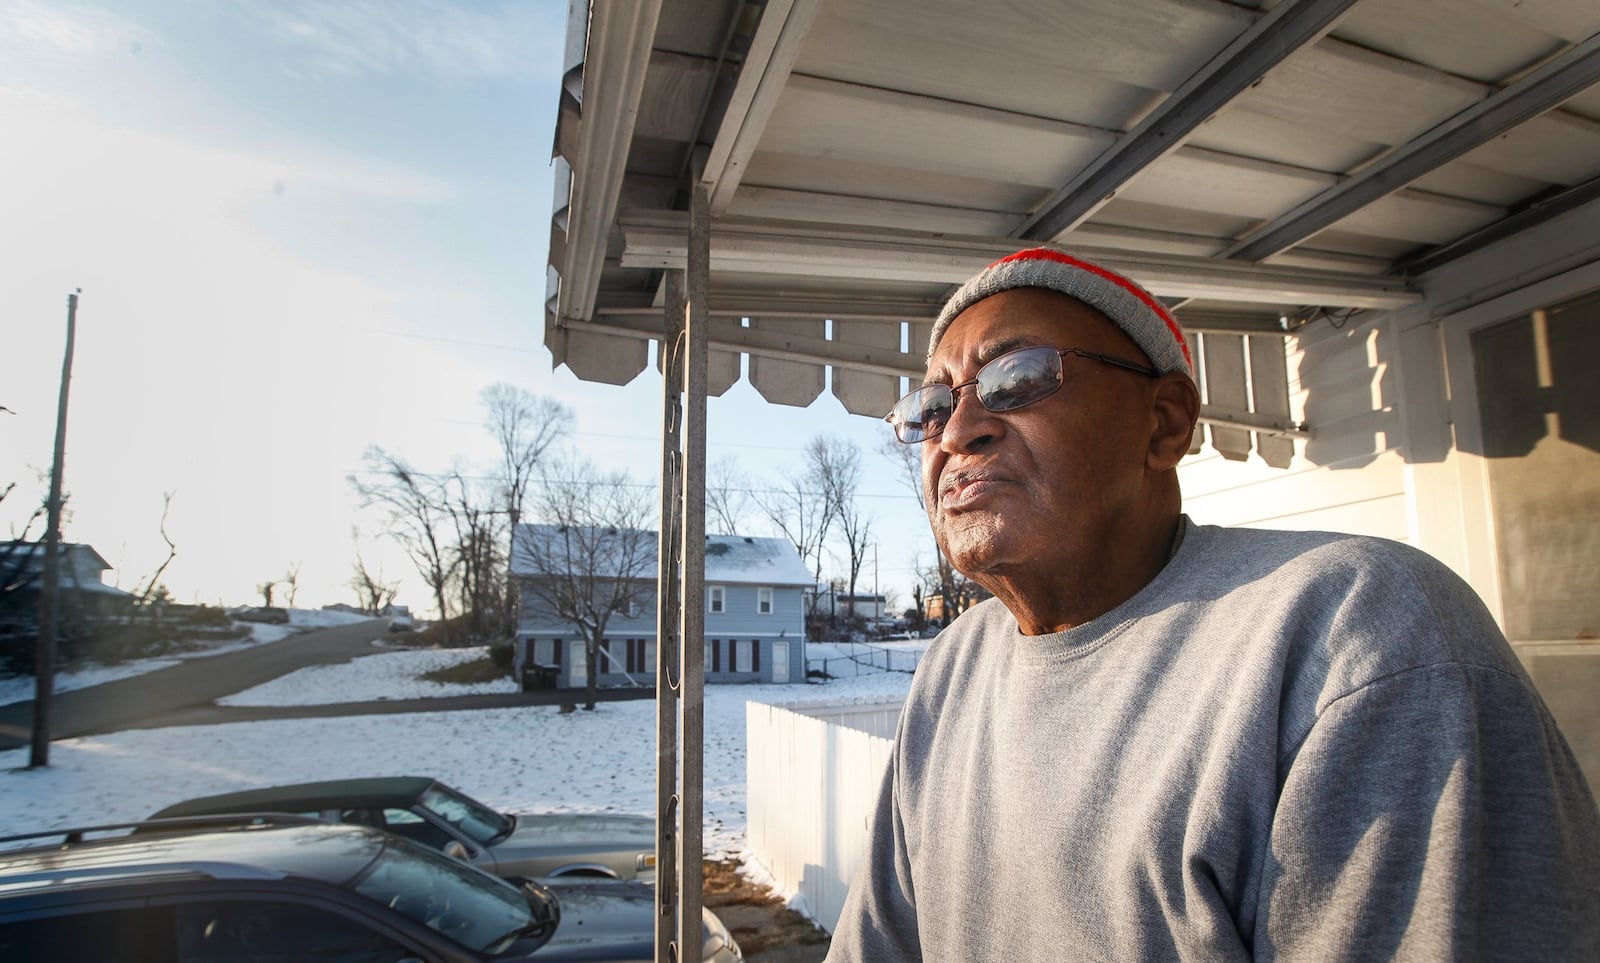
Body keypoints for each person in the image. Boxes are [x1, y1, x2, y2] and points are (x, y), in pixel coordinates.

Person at [824, 248, 1600, 961]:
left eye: (1018, 377)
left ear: (1165, 423)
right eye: (930, 408)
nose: (957, 431)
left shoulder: (1352, 631)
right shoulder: (954, 664)